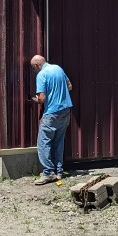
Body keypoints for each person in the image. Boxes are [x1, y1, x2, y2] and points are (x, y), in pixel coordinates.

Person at [29, 54, 73, 185]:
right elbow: (69, 86)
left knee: (43, 143)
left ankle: (48, 173)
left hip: (52, 112)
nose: (34, 70)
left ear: (37, 65)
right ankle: (59, 172)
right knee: (58, 142)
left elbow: (42, 99)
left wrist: (35, 99)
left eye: (33, 68)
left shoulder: (41, 75)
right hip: (65, 110)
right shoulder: (58, 68)